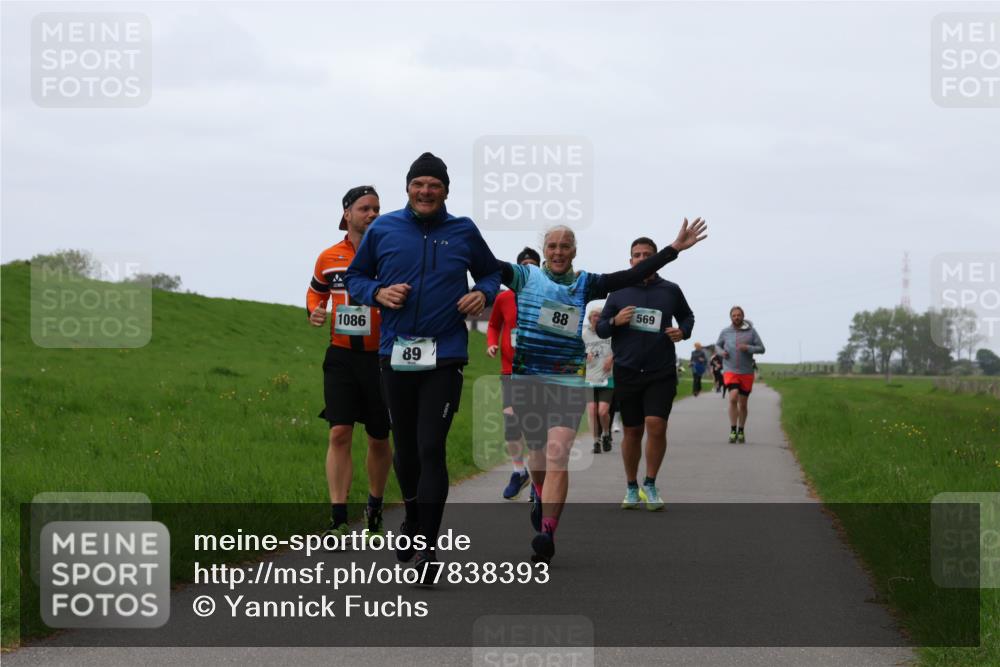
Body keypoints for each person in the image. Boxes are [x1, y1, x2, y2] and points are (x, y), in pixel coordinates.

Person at [499, 218, 707, 564]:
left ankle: (546, 533)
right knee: (537, 457)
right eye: (552, 246)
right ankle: (537, 493)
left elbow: (626, 277)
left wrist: (673, 250)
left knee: (557, 455)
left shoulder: (586, 284)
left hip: (567, 379)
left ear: (574, 251)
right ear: (544, 250)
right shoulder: (525, 277)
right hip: (528, 378)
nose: (558, 252)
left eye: (565, 246)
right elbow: (481, 263)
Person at [345, 153, 501, 579]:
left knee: (431, 447)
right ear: (408, 188)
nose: (426, 191)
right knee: (407, 449)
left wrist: (481, 294)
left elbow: (491, 274)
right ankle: (413, 517)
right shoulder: (384, 228)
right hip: (395, 353)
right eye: (419, 184)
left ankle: (428, 548)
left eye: (434, 184)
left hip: (445, 354)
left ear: (446, 190)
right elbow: (356, 279)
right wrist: (378, 293)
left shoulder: (463, 230)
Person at [307, 185, 392, 540]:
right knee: (339, 432)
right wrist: (315, 310)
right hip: (341, 356)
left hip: (380, 357)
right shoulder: (329, 257)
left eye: (376, 208)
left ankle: (374, 505)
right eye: (364, 208)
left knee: (377, 438)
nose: (372, 214)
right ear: (347, 214)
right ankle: (338, 517)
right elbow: (316, 291)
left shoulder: (389, 253)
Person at [597, 237, 695, 512]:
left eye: (647, 254)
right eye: (637, 255)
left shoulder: (671, 290)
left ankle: (650, 484)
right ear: (630, 261)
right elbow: (602, 328)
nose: (642, 259)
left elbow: (687, 317)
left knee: (656, 425)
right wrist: (615, 321)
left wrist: (683, 332)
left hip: (660, 370)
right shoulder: (618, 292)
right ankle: (631, 486)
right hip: (627, 371)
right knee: (632, 431)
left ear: (655, 258)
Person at [486, 246, 541, 499]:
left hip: (539, 370)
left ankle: (539, 480)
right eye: (524, 265)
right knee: (512, 424)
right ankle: (519, 472)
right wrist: (491, 343)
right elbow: (494, 324)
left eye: (533, 266)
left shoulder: (546, 295)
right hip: (510, 369)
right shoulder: (503, 298)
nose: (528, 270)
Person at [716, 306, 766, 444]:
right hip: (730, 370)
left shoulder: (751, 332)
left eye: (739, 315)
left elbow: (762, 349)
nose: (736, 317)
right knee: (733, 397)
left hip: (746, 372)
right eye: (734, 315)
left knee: (743, 404)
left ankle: (741, 430)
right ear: (730, 317)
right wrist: (721, 353)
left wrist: (748, 348)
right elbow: (717, 346)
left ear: (743, 316)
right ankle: (733, 430)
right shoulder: (725, 332)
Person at [582, 306, 614, 454]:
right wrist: (583, 357)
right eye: (594, 315)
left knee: (602, 412)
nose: (597, 318)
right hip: (589, 378)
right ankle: (596, 441)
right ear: (589, 318)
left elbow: (620, 349)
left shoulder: (610, 333)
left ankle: (606, 434)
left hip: (607, 378)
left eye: (600, 316)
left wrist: (611, 358)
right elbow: (576, 351)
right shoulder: (583, 334)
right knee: (591, 410)